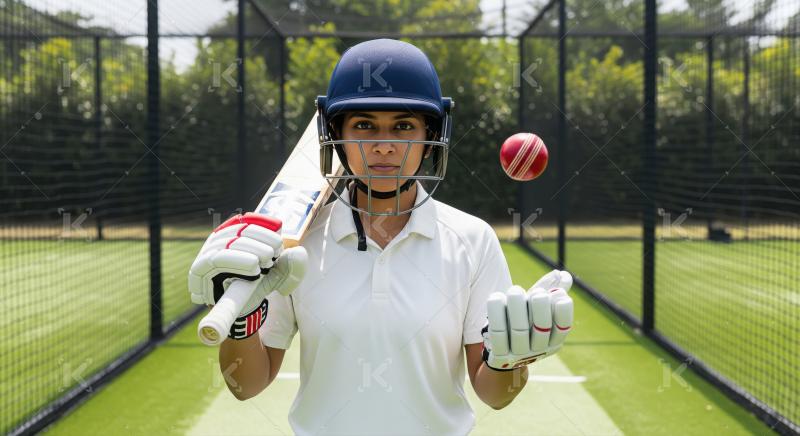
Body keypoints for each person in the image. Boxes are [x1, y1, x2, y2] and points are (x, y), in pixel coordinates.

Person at [188, 38, 574, 435]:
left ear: (431, 136)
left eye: (404, 126)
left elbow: (495, 395)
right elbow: (246, 385)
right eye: (364, 125)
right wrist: (244, 322)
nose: (384, 145)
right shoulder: (293, 242)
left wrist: (510, 362)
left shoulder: (471, 239)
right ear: (335, 133)